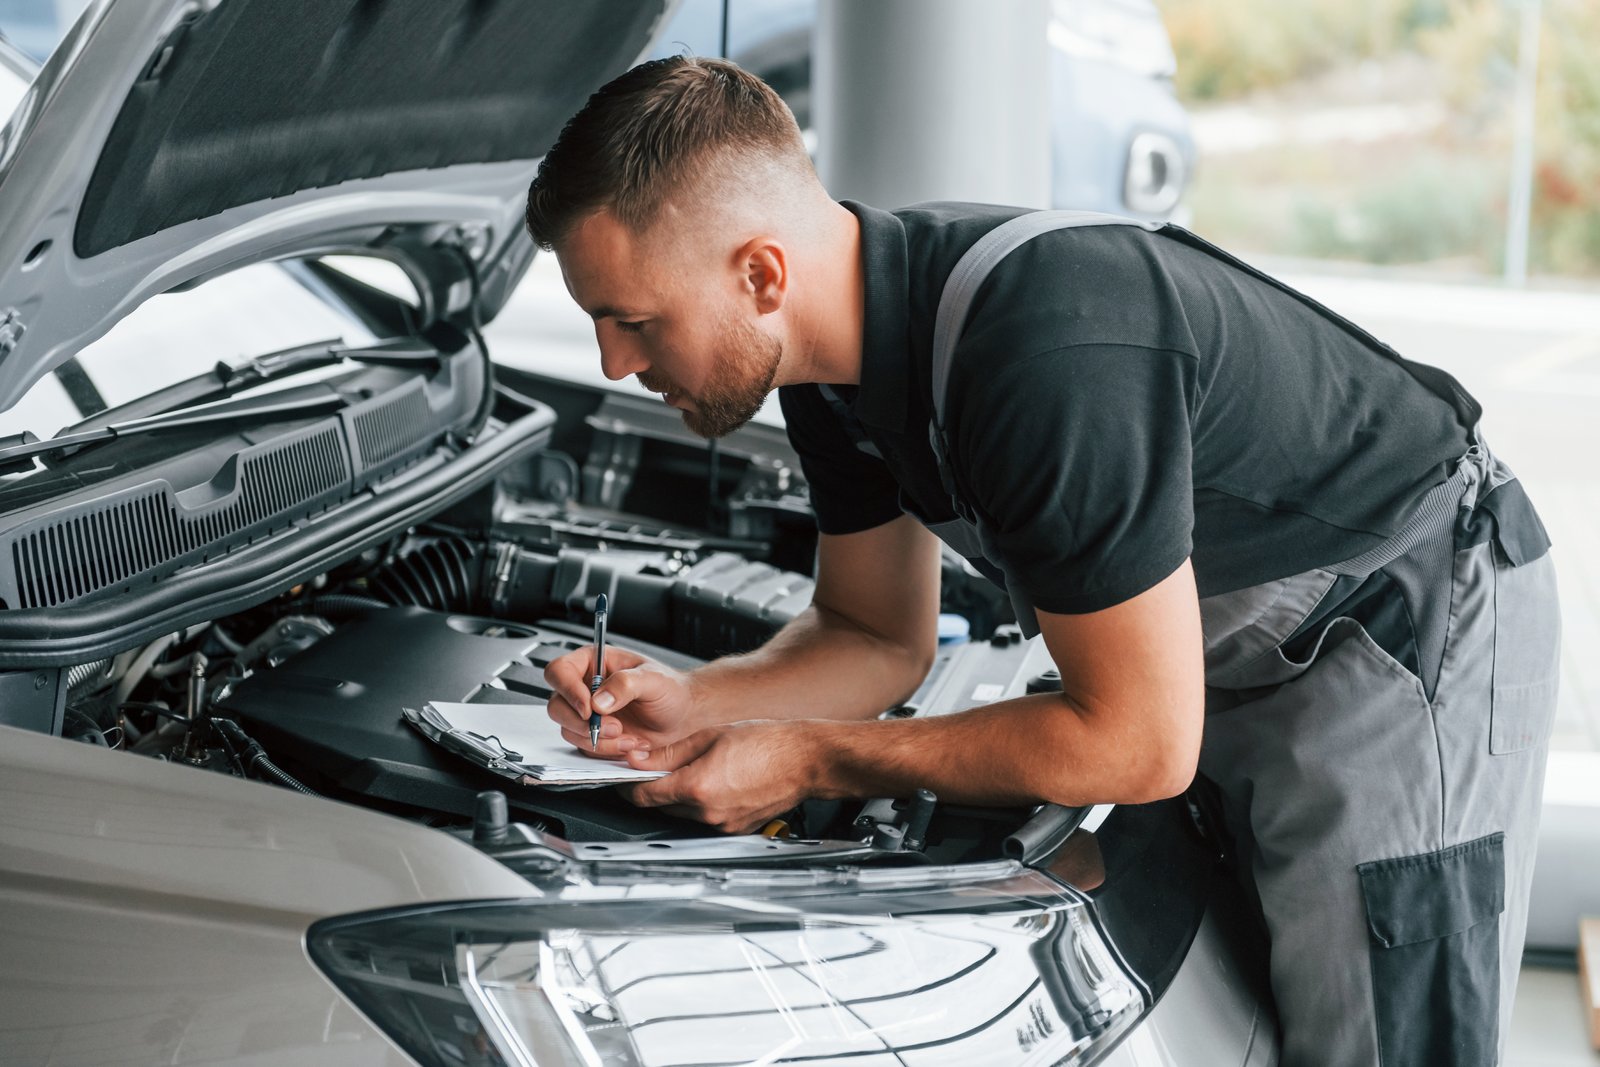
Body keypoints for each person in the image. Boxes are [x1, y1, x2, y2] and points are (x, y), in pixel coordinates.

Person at [524, 55, 1560, 1066]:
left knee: (1378, 1036)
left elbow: (1138, 742)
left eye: (633, 319)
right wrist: (704, 700)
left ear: (760, 273)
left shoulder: (1040, 354)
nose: (614, 362)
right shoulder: (828, 375)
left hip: (1400, 626)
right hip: (1224, 657)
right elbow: (874, 636)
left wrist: (809, 753)